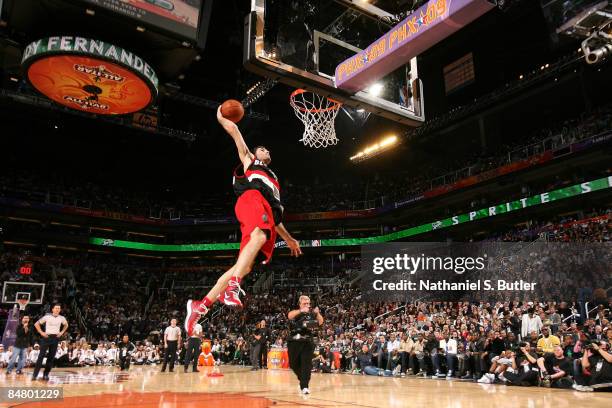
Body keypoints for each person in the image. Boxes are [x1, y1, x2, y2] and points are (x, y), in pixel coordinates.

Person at [185, 107, 302, 335]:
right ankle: (232, 288)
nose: (265, 149)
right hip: (250, 200)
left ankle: (200, 306)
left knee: (243, 266)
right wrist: (220, 115)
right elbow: (235, 130)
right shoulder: (250, 162)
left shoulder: (274, 181)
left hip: (265, 214)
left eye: (266, 149)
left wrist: (289, 239)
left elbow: (274, 220)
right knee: (258, 236)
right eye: (261, 148)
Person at [287, 295, 323, 395]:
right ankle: (302, 379)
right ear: (300, 304)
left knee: (306, 365)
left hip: (307, 341)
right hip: (294, 341)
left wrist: (318, 313)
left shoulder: (312, 313)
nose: (307, 305)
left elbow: (320, 322)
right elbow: (289, 316)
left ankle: (305, 386)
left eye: (308, 303)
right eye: (305, 303)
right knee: (293, 364)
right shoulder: (296, 312)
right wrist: (301, 311)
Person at [32, 304, 68, 381]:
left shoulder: (62, 318)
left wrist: (61, 332)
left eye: (59, 308)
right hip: (46, 337)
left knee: (51, 357)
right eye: (56, 308)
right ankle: (35, 375)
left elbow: (66, 325)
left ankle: (46, 374)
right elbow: (36, 324)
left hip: (55, 338)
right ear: (52, 309)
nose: (58, 309)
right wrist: (41, 332)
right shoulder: (47, 316)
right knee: (41, 356)